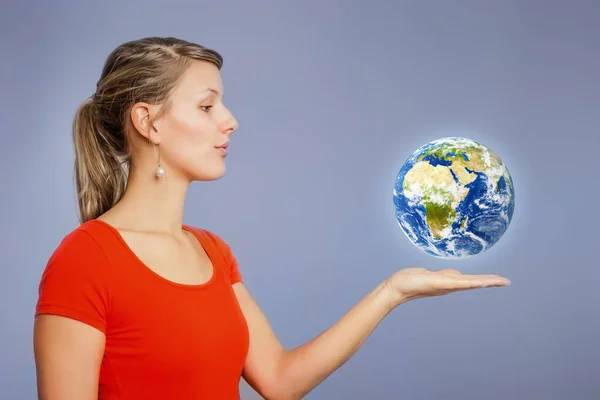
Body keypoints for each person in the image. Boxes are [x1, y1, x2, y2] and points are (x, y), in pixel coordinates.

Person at [33, 36, 510, 400]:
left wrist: (393, 291)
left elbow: (280, 379)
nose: (230, 119)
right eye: (206, 105)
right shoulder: (86, 260)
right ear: (148, 122)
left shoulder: (212, 252)